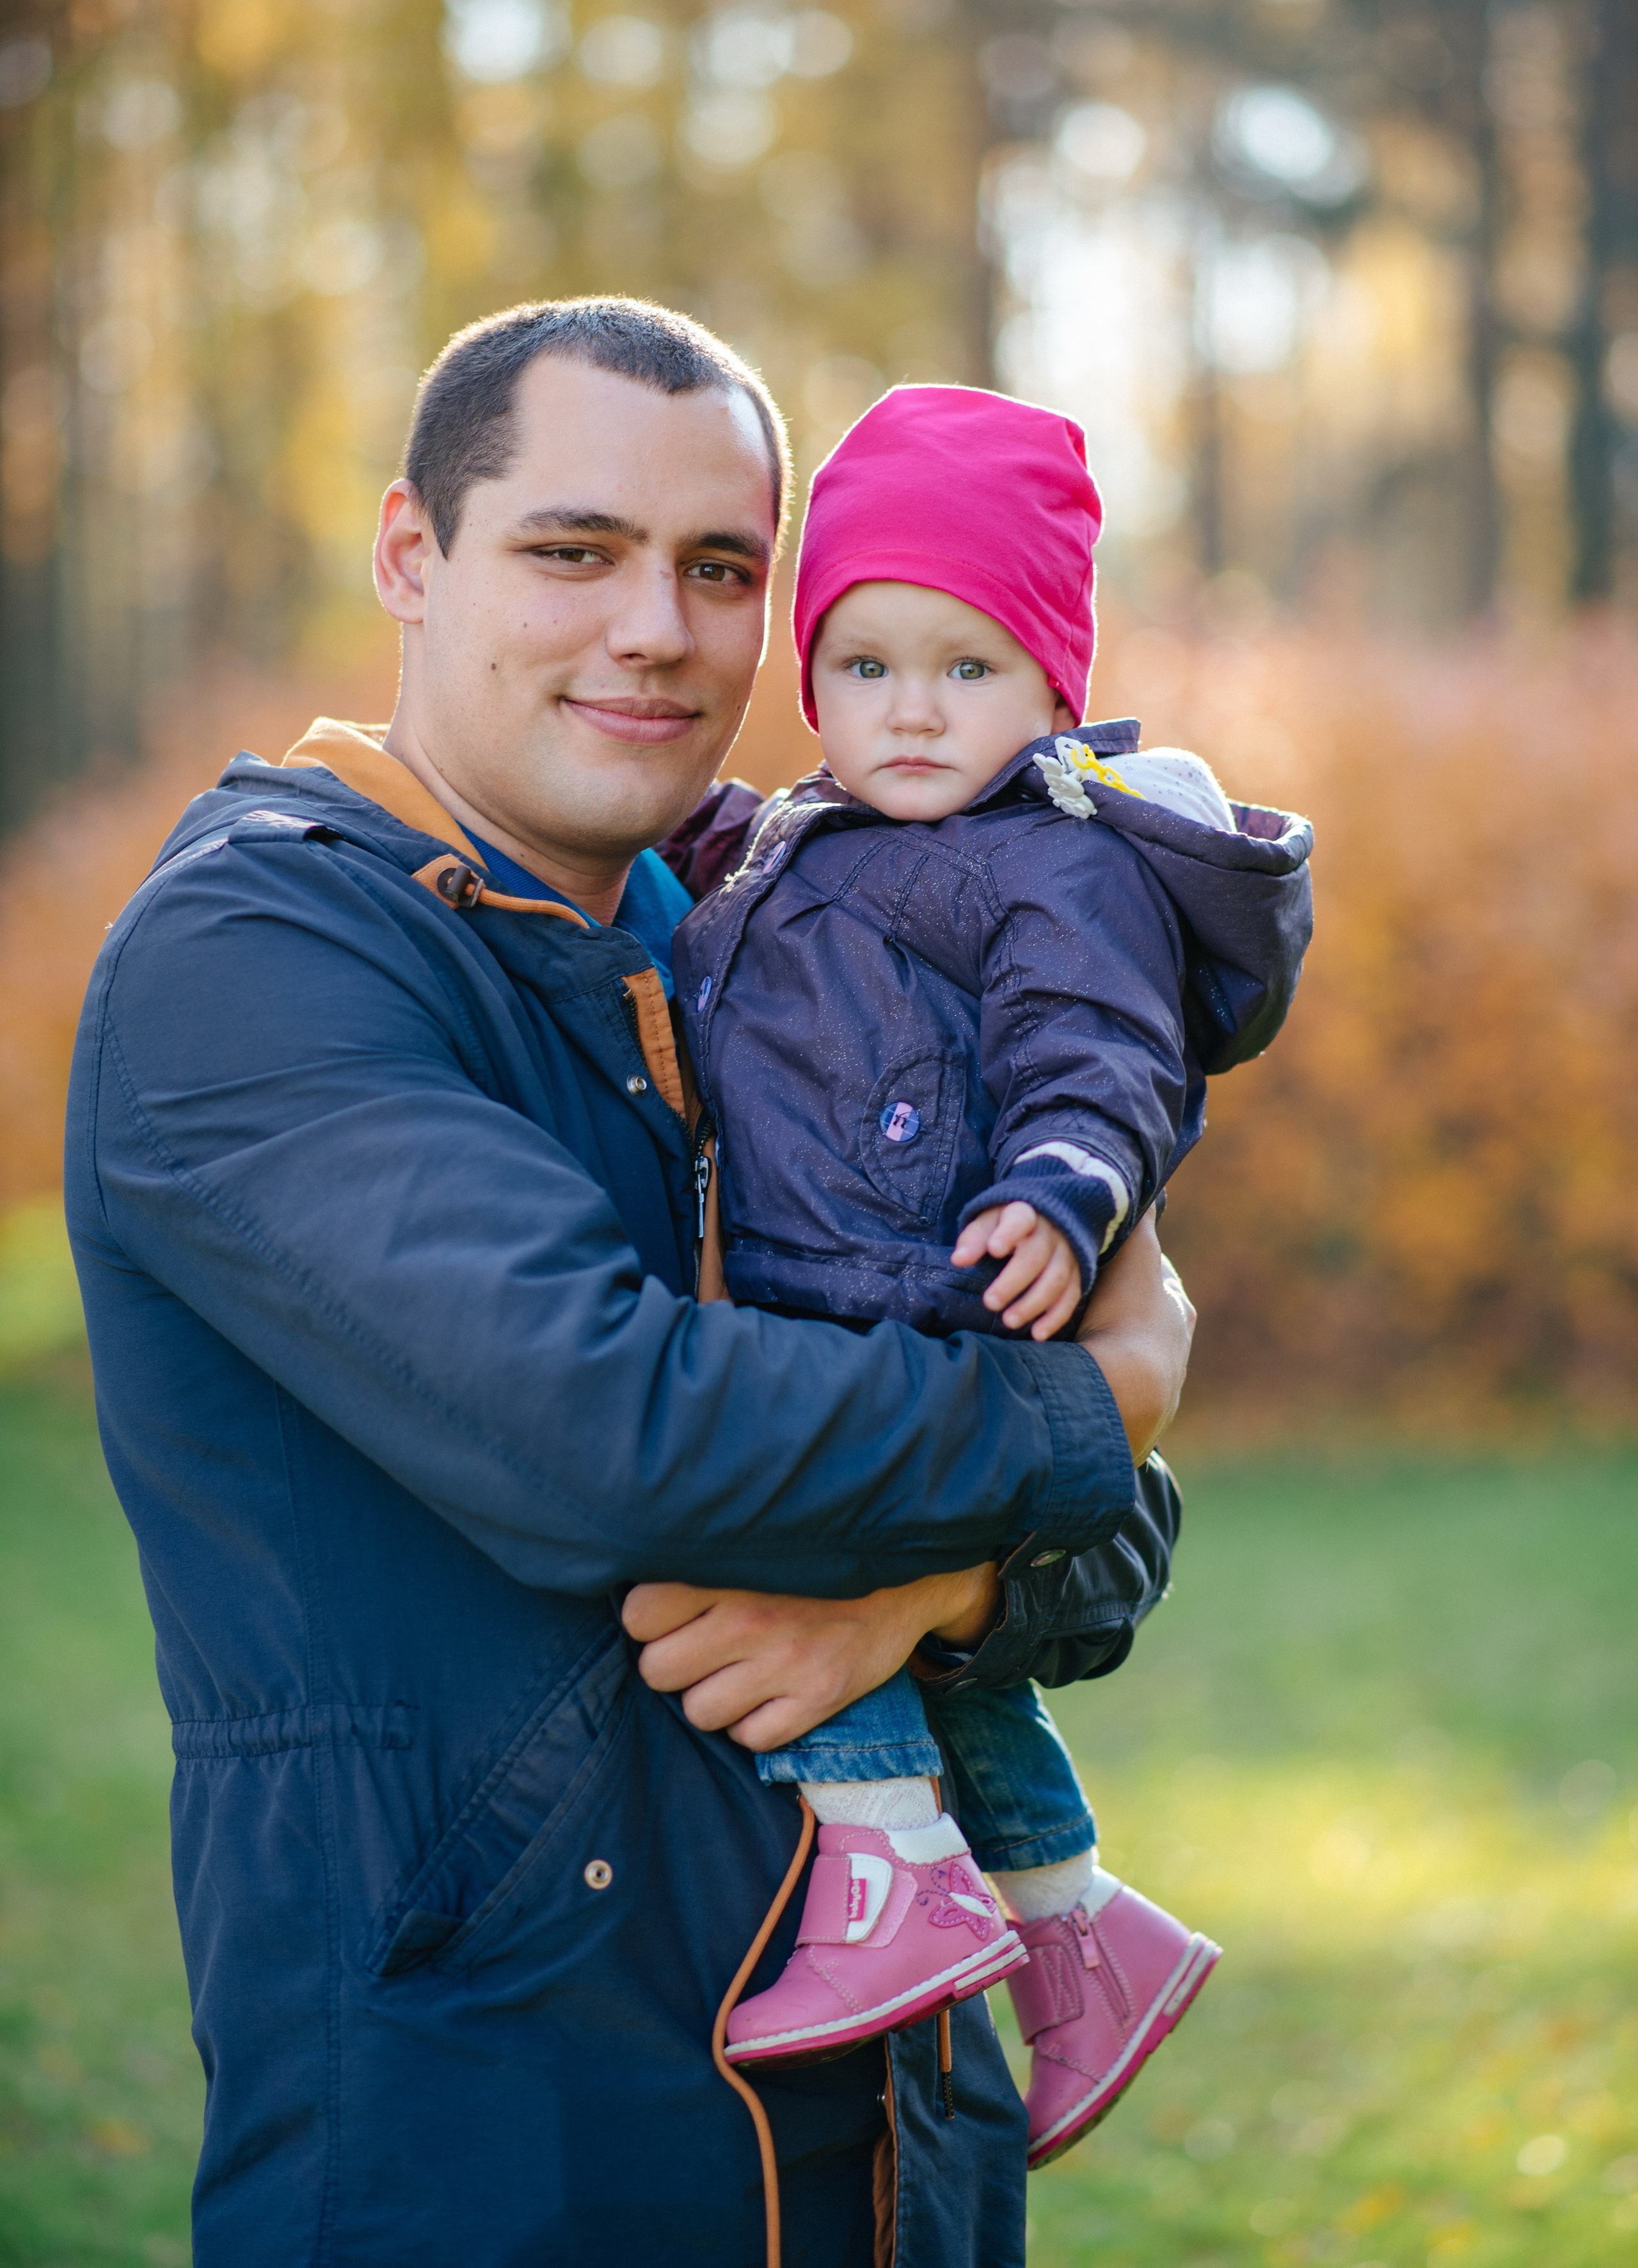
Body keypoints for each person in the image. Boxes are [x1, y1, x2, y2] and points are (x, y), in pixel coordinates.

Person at [65, 299, 1193, 2268]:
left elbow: (1116, 1539)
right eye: (573, 550)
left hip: (901, 2149)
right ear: (412, 551)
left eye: (722, 569)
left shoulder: (787, 932)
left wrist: (936, 1587)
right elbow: (614, 1427)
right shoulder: (252, 960)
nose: (657, 628)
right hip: (500, 2149)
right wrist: (1107, 1390)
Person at [667, 387, 1313, 2166]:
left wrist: (1065, 1191)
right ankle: (1077, 1922)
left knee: (788, 1528)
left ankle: (892, 1866)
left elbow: (1101, 1052)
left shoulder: (1051, 863)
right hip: (850, 1275)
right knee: (963, 1664)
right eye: (866, 666)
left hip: (922, 1288)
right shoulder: (812, 836)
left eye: (967, 668)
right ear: (816, 680)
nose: (912, 710)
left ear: (1051, 687)